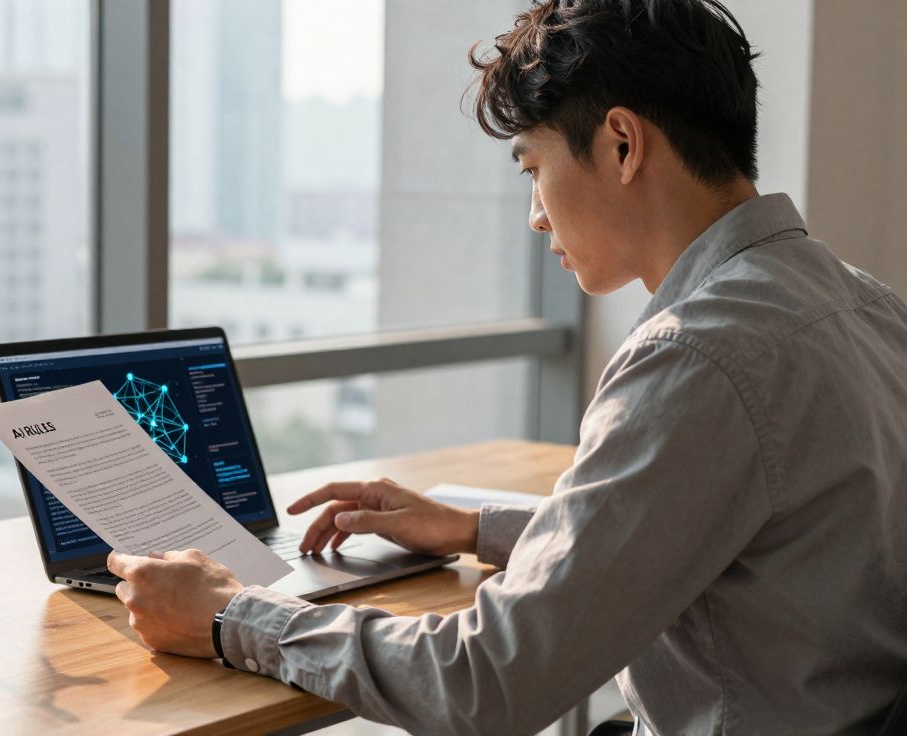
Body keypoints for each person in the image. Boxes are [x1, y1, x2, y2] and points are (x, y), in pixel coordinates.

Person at [107, 0, 907, 733]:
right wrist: (475, 529)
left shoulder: (696, 356)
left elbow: (488, 684)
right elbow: (740, 537)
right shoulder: (867, 307)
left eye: (532, 168)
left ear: (623, 144)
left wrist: (229, 616)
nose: (534, 214)